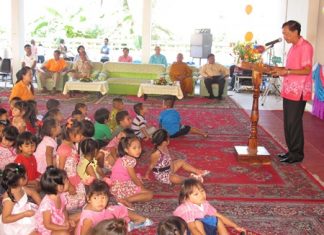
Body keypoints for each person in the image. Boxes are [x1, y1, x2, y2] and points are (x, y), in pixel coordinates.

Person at [272, 20, 313, 164]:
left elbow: (307, 69)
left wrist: (287, 71)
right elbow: (290, 69)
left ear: (295, 32)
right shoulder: (293, 47)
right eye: (283, 33)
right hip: (289, 89)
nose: (284, 37)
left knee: (294, 123)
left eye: (286, 33)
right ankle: (290, 151)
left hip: (298, 91)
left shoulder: (305, 47)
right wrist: (280, 71)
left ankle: (297, 154)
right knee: (288, 123)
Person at [75, 180, 152, 235]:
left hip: (101, 220)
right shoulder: (88, 219)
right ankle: (128, 225)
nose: (100, 201)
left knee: (119, 209)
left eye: (103, 198)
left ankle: (141, 219)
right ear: (88, 198)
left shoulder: (96, 206)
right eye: (96, 198)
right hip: (98, 230)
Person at [173, 178, 245, 235]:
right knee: (198, 223)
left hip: (199, 229)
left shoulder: (204, 204)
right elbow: (193, 228)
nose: (202, 195)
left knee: (217, 220)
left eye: (202, 191)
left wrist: (235, 226)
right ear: (186, 198)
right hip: (186, 231)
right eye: (196, 194)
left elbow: (219, 216)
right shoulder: (187, 209)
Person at [144, 129, 209, 184]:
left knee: (180, 161)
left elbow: (169, 159)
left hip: (169, 167)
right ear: (164, 142)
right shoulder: (156, 153)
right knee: (175, 178)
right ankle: (190, 180)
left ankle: (198, 171)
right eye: (168, 138)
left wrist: (171, 168)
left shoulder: (165, 146)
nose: (169, 139)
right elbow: (151, 165)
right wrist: (146, 174)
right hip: (162, 174)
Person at [110, 136, 153, 207]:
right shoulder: (130, 160)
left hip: (115, 185)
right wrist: (142, 188)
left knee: (139, 179)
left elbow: (128, 174)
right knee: (149, 194)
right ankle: (126, 200)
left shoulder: (123, 158)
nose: (138, 150)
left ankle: (125, 198)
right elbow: (133, 177)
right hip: (121, 186)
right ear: (126, 150)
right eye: (134, 148)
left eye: (139, 147)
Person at [0, 163, 41, 235]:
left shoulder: (21, 188)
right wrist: (24, 214)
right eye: (26, 175)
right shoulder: (9, 198)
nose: (27, 177)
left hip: (27, 215)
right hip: (15, 222)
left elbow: (33, 193)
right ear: (20, 180)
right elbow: (5, 219)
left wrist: (41, 205)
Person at [57, 119, 86, 211]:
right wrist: (68, 186)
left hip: (74, 177)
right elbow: (60, 170)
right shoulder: (64, 149)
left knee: (83, 199)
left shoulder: (72, 144)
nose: (82, 137)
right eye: (80, 135)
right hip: (67, 180)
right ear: (70, 134)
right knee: (69, 204)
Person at [35, 166, 74, 235]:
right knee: (65, 233)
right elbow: (47, 225)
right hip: (49, 229)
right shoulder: (47, 205)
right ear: (59, 187)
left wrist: (66, 220)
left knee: (79, 219)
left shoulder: (61, 195)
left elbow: (64, 210)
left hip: (59, 221)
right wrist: (64, 228)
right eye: (66, 180)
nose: (68, 181)